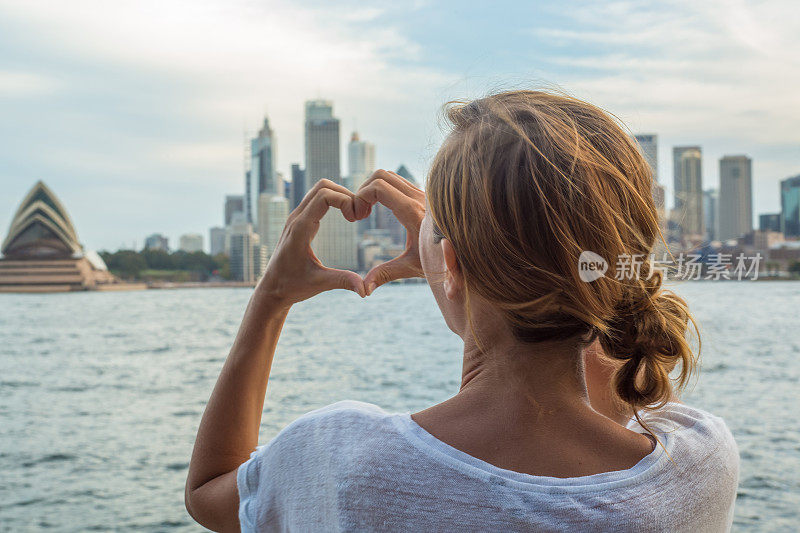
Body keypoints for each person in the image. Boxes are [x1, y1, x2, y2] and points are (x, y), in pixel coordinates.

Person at [185, 90, 739, 532]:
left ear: (450, 264)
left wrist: (271, 298)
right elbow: (583, 366)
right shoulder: (699, 466)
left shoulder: (342, 463)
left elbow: (210, 491)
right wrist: (461, 247)